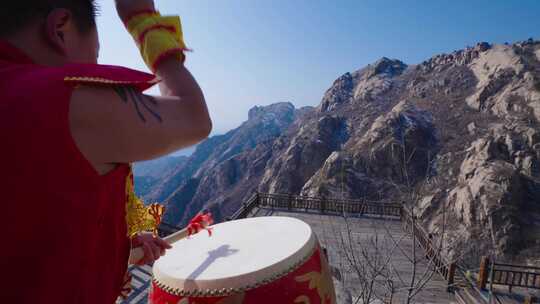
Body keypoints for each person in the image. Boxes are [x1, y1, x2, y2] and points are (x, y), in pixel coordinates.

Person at [0, 0, 211, 303]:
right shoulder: (57, 97)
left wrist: (117, 245)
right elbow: (194, 119)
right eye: (96, 53)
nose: (95, 65)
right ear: (60, 28)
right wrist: (143, 20)